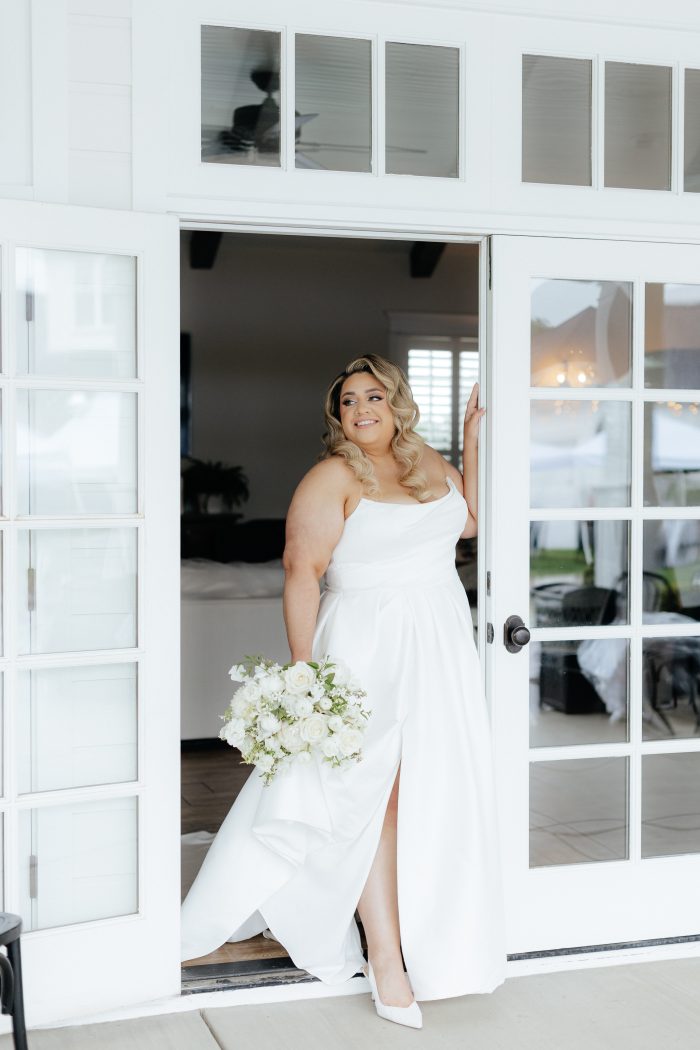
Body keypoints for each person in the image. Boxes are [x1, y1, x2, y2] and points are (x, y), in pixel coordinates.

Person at [180, 353, 507, 1028]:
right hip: (363, 649)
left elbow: (469, 523)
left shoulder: (430, 466)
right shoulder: (331, 477)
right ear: (338, 416)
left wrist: (474, 442)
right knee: (368, 799)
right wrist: (305, 673)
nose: (361, 410)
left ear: (398, 405)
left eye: (373, 398)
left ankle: (425, 933)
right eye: (349, 402)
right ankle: (384, 956)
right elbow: (302, 571)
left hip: (438, 645)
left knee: (424, 790)